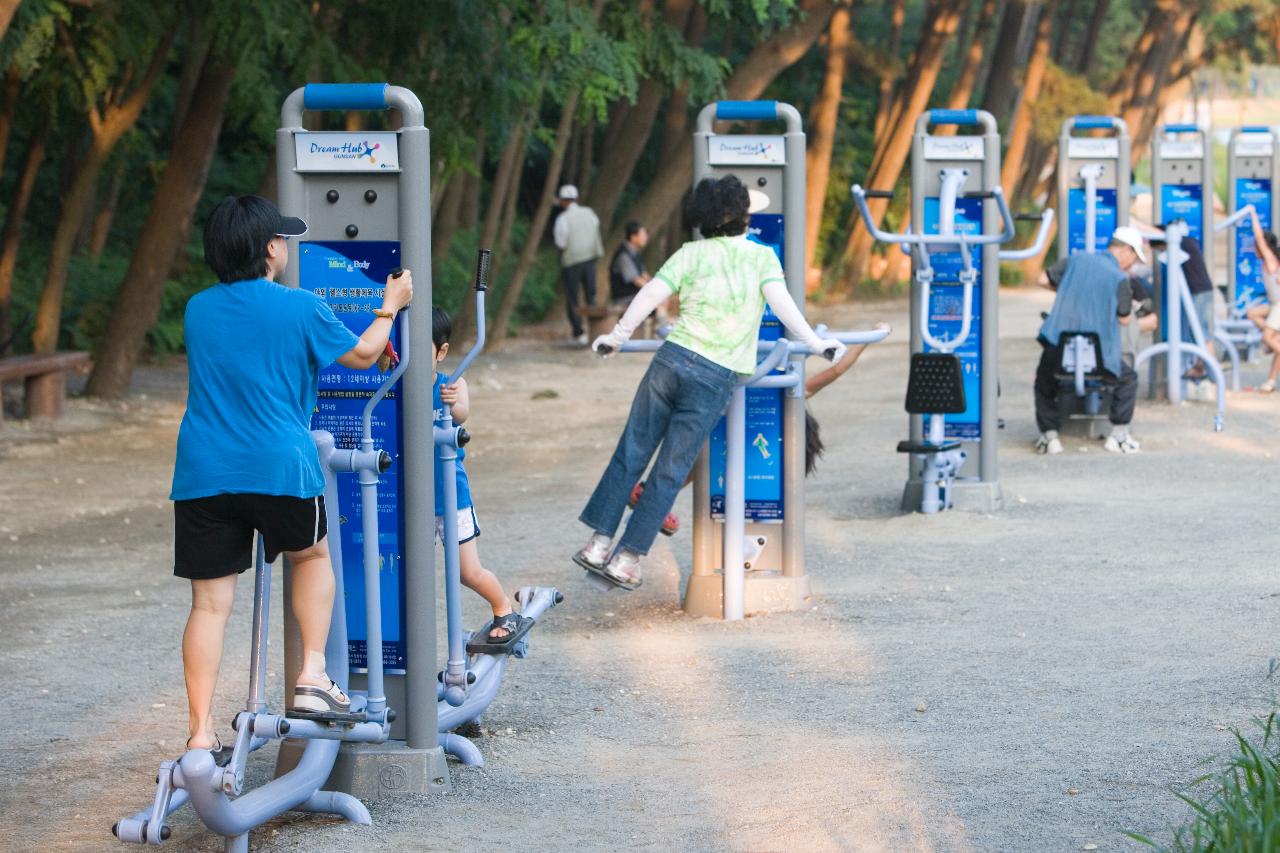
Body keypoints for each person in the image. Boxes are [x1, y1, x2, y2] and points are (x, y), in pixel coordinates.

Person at [171, 195, 413, 761]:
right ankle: (312, 675)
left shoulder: (196, 310)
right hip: (280, 465)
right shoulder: (300, 307)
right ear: (270, 250)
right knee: (311, 558)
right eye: (281, 240)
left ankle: (201, 735)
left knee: (208, 606)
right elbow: (363, 356)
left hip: (204, 471)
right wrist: (390, 305)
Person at [574, 175, 846, 590]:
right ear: (743, 217)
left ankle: (597, 543)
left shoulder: (690, 254)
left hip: (670, 361)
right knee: (669, 470)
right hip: (713, 376)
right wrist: (815, 343)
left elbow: (649, 297)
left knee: (631, 452)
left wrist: (617, 337)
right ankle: (626, 559)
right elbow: (784, 307)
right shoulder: (760, 258)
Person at [431, 306, 533, 651]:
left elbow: (463, 413)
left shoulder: (451, 383)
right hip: (408, 499)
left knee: (466, 571)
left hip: (449, 497)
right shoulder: (394, 387)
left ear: (441, 352)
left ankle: (504, 609)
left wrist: (453, 403)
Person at [1033, 226, 1147, 455]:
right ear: (1125, 250)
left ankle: (1050, 437)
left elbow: (1041, 279)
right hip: (1099, 358)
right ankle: (1119, 435)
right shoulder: (1119, 279)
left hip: (1058, 349)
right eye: (1134, 257)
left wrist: (1070, 291)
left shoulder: (1076, 260)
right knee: (1128, 379)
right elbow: (1124, 320)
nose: (1132, 264)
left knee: (1044, 381)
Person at [552, 184, 604, 346]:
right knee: (591, 296)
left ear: (562, 201)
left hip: (572, 261)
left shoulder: (562, 219)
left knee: (573, 298)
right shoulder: (590, 213)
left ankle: (578, 332)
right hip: (590, 259)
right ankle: (595, 330)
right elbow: (595, 230)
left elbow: (561, 243)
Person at [1244, 206, 1280, 392]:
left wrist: (1252, 212)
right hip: (1274, 305)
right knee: (1252, 313)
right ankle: (1270, 382)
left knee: (1268, 338)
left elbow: (1259, 236)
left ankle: (1270, 342)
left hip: (1279, 306)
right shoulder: (1268, 262)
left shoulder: (1271, 260)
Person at [609, 221, 651, 307]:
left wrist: (658, 287)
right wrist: (655, 292)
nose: (646, 237)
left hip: (635, 296)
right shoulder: (623, 256)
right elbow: (638, 281)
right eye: (642, 235)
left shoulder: (635, 254)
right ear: (633, 237)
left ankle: (662, 319)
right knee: (655, 301)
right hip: (624, 298)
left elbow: (645, 276)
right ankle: (662, 319)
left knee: (660, 299)